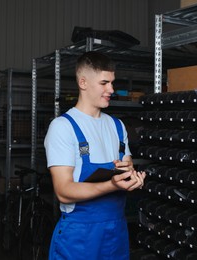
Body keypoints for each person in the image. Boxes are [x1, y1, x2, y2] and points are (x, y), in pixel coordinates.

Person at [44, 51, 146, 259]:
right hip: (79, 237)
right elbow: (63, 191)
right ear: (83, 82)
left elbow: (127, 170)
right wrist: (112, 185)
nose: (111, 89)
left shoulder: (118, 126)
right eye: (104, 83)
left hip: (116, 232)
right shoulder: (63, 127)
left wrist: (134, 180)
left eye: (112, 82)